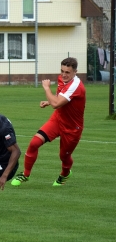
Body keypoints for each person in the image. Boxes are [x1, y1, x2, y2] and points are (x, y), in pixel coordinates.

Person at [11, 57, 85, 187]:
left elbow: (56, 103)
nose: (63, 75)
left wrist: (46, 88)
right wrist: (49, 101)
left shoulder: (76, 86)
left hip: (72, 127)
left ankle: (65, 174)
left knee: (64, 156)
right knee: (34, 143)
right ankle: (26, 174)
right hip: (57, 119)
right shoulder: (62, 79)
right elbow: (59, 99)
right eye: (62, 71)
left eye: (67, 72)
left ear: (75, 72)